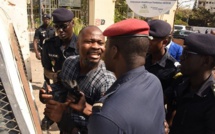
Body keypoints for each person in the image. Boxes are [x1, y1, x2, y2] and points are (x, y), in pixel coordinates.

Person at [67, 19, 166, 134]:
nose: (102, 50)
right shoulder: (154, 82)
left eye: (105, 45)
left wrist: (66, 124)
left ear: (114, 51)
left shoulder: (104, 116)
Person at [42, 25, 116, 134]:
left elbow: (105, 124)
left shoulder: (106, 81)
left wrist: (62, 118)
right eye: (89, 42)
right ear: (77, 45)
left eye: (100, 43)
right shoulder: (69, 63)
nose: (95, 46)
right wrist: (49, 92)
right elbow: (62, 86)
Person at [40, 8, 78, 130]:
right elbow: (46, 70)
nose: (60, 30)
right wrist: (54, 77)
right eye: (57, 27)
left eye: (64, 26)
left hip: (79, 86)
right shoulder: (49, 45)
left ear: (73, 23)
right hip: (59, 84)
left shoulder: (82, 44)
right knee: (47, 96)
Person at [169, 33, 215, 134]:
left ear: (206, 61)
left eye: (187, 54)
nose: (181, 58)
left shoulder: (211, 98)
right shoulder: (182, 83)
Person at [145, 20, 180, 101]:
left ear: (164, 42)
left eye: (151, 39)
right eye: (146, 38)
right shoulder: (142, 60)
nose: (147, 42)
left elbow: (168, 98)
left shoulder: (173, 68)